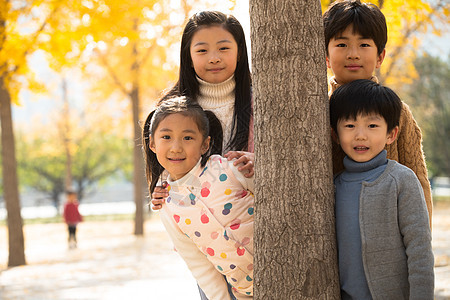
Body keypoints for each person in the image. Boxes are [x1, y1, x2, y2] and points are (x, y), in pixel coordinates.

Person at [323, 0, 433, 227]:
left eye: (364, 45)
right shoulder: (318, 111)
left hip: (388, 235)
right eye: (342, 45)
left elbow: (418, 179)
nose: (353, 54)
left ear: (381, 57)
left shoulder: (398, 113)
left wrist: (422, 238)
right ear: (325, 56)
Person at [330, 79, 434, 299]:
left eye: (372, 125)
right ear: (335, 135)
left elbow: (420, 250)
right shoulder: (332, 186)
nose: (360, 135)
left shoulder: (401, 180)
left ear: (391, 134)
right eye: (349, 125)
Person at [142, 96, 254, 300]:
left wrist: (258, 164)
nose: (176, 147)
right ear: (152, 145)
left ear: (205, 144)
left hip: (285, 271)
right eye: (166, 137)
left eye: (187, 138)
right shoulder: (168, 208)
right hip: (246, 294)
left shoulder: (229, 168)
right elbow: (201, 268)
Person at [151, 11, 253, 211]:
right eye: (202, 51)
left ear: (239, 52)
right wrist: (161, 189)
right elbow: (166, 170)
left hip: (249, 225)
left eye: (223, 48)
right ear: (188, 57)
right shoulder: (171, 110)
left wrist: (260, 161)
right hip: (197, 228)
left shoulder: (261, 103)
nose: (214, 58)